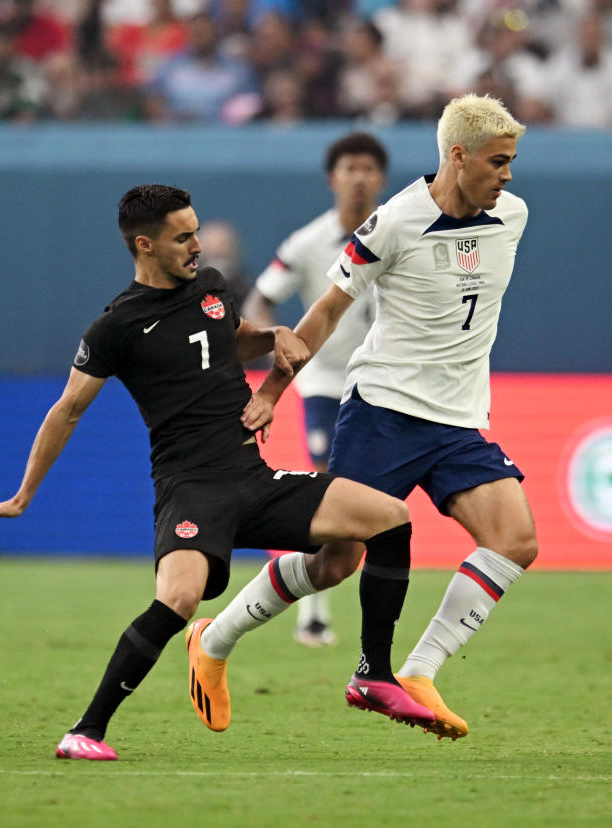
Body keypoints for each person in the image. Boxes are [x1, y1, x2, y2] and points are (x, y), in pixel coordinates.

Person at [0, 184, 435, 761]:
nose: (197, 244)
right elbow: (66, 410)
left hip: (252, 478)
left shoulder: (211, 289)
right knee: (179, 599)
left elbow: (232, 342)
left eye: (196, 232)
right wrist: (22, 496)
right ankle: (85, 730)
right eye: (183, 236)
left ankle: (373, 674)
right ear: (144, 244)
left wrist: (274, 337)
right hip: (190, 488)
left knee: (389, 519)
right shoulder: (114, 327)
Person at [201, 93, 537, 742]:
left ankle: (416, 673)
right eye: (498, 162)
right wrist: (272, 389)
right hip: (382, 413)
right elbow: (325, 310)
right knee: (335, 563)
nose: (508, 175)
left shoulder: (513, 216)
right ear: (457, 156)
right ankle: (213, 639)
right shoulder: (393, 223)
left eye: (513, 162)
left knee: (515, 540)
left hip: (458, 423)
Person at [241, 131, 388, 648]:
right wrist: (271, 347)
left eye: (368, 168)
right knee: (327, 485)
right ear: (333, 178)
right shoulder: (306, 243)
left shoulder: (401, 230)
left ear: (381, 179)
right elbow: (260, 299)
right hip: (327, 383)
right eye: (349, 168)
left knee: (376, 503)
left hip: (385, 385)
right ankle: (314, 614)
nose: (359, 178)